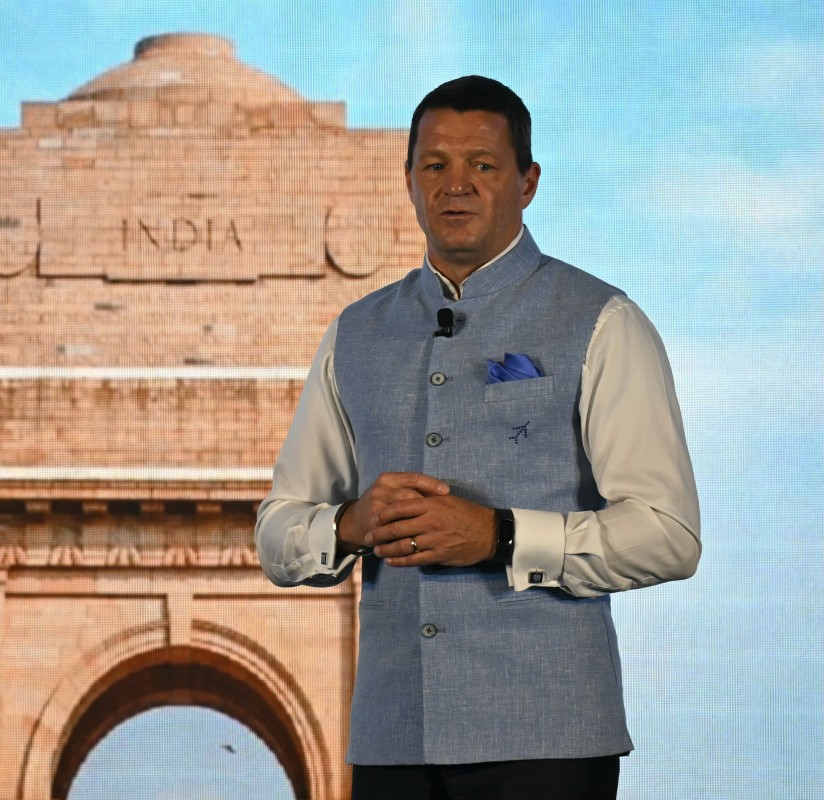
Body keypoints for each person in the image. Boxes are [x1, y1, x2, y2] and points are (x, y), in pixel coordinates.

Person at [255, 75, 700, 800]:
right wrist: (351, 524)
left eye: (482, 166)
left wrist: (499, 536)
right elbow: (277, 530)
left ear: (527, 182)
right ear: (408, 181)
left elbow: (669, 534)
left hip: (549, 742)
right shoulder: (353, 334)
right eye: (435, 165)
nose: (455, 186)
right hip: (393, 743)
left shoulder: (605, 322)